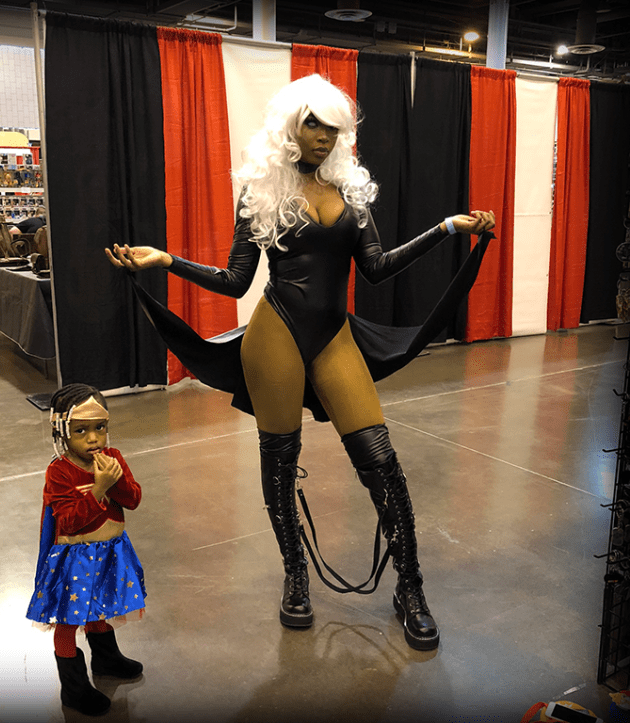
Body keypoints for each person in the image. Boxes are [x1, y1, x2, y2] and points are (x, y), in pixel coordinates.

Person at [105, 74, 495, 651]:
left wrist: (446, 229)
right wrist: (167, 261)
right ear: (291, 126)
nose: (324, 136)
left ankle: (410, 586)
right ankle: (296, 577)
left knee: (381, 461)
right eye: (313, 124)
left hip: (334, 336)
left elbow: (377, 268)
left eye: (333, 127)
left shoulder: (351, 193)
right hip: (276, 335)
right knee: (281, 463)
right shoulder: (262, 191)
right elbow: (236, 280)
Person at [26, 383, 146, 715]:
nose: (93, 439)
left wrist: (115, 481)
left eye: (99, 428)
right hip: (75, 561)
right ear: (61, 432)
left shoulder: (113, 458)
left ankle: (106, 659)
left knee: (102, 606)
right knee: (68, 621)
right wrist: (99, 488)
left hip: (110, 553)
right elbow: (68, 522)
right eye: (81, 430)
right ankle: (74, 688)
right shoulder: (59, 472)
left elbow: (133, 499)